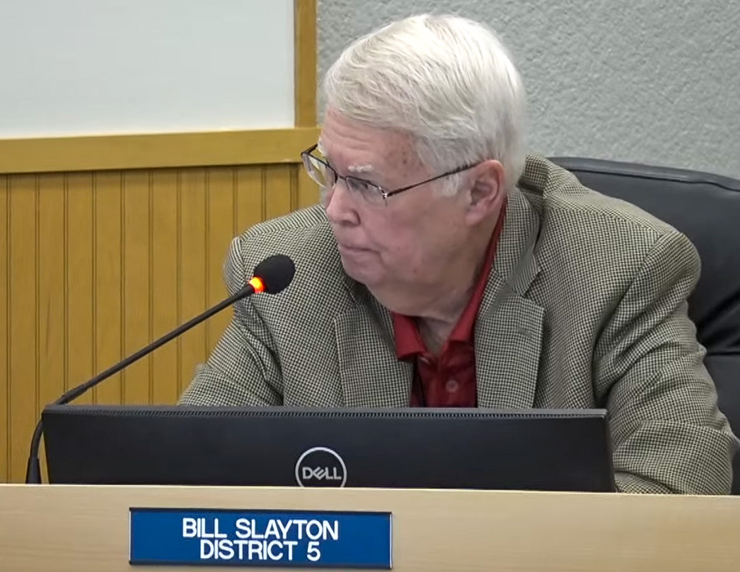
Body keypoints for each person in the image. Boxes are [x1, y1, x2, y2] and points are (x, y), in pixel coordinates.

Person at [179, 14, 737, 494]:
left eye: (366, 184)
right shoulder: (286, 272)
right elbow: (186, 476)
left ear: (479, 192)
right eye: (329, 171)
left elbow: (678, 492)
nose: (335, 210)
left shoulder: (621, 267)